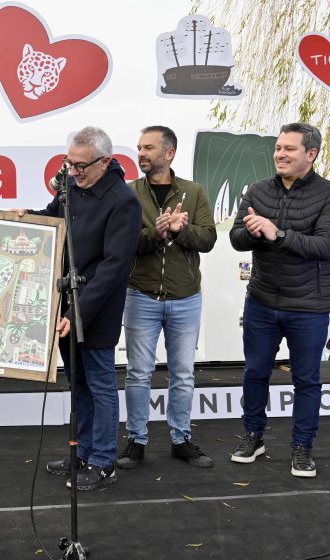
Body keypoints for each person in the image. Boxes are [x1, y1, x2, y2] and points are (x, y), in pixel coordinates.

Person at [19, 126, 141, 491]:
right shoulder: (70, 187)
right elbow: (52, 219)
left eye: (81, 166)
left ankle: (104, 462)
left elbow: (113, 268)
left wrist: (77, 315)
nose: (72, 172)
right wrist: (24, 218)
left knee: (101, 385)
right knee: (79, 384)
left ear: (105, 162)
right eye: (68, 164)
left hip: (95, 312)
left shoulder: (123, 201)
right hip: (64, 307)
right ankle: (83, 452)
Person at [229, 122, 330, 477]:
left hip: (308, 307)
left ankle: (302, 448)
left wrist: (277, 233)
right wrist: (251, 233)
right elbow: (236, 238)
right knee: (255, 373)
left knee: (307, 380)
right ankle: (253, 436)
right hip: (261, 301)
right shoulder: (257, 190)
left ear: (310, 154)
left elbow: (326, 246)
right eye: (278, 148)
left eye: (289, 149)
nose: (279, 154)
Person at [117, 126, 217, 470]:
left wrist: (180, 230)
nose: (141, 153)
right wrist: (156, 233)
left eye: (148, 147)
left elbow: (208, 239)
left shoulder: (194, 192)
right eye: (139, 147)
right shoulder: (128, 193)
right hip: (141, 295)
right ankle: (136, 441)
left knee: (183, 374)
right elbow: (123, 243)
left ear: (169, 153)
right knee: (138, 373)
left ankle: (181, 439)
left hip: (186, 297)